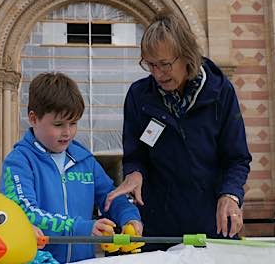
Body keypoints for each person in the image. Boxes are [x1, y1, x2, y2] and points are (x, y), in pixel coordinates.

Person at [104, 12, 251, 247]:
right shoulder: (138, 97)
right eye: (150, 65)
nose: (157, 73)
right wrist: (134, 173)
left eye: (164, 64)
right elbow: (136, 157)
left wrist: (230, 195)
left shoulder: (221, 92)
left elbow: (237, 159)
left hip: (213, 228)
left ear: (187, 56)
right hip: (160, 231)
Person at [0, 72, 142, 263]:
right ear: (33, 119)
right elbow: (24, 213)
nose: (67, 132)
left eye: (73, 123)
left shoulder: (84, 160)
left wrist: (129, 218)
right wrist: (81, 228)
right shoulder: (19, 162)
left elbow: (111, 197)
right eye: (58, 124)